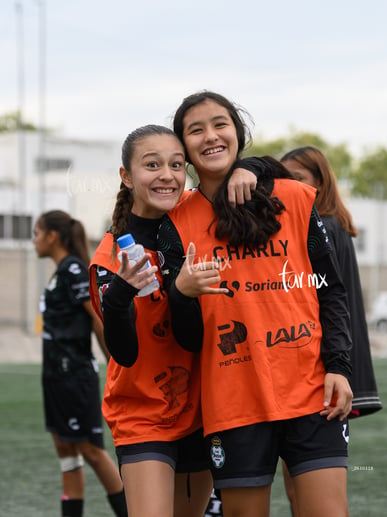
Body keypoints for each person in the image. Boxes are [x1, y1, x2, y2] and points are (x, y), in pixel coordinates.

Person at [157, 91, 354, 517]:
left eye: (220, 124)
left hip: (311, 391)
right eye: (196, 130)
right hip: (234, 403)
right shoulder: (175, 221)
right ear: (185, 148)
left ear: (238, 132)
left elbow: (331, 290)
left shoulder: (296, 198)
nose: (211, 136)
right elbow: (188, 339)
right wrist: (182, 293)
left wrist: (339, 365)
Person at [88, 124, 256, 517]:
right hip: (144, 413)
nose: (167, 175)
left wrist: (253, 170)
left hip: (205, 411)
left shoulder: (198, 219)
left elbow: (193, 337)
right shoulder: (111, 255)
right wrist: (121, 295)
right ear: (126, 176)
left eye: (177, 164)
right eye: (152, 165)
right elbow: (125, 354)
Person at [279, 145, 382, 515]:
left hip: (323, 371)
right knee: (298, 487)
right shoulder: (317, 224)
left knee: (317, 491)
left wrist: (336, 367)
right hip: (320, 367)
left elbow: (328, 302)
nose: (289, 186)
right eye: (284, 178)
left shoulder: (326, 227)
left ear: (319, 183)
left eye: (299, 178)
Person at [32, 210, 127, 517]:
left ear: (52, 236)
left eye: (36, 232)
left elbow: (98, 319)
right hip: (55, 377)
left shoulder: (74, 270)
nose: (34, 240)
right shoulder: (61, 271)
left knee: (91, 451)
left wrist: (116, 362)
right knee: (66, 451)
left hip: (74, 375)